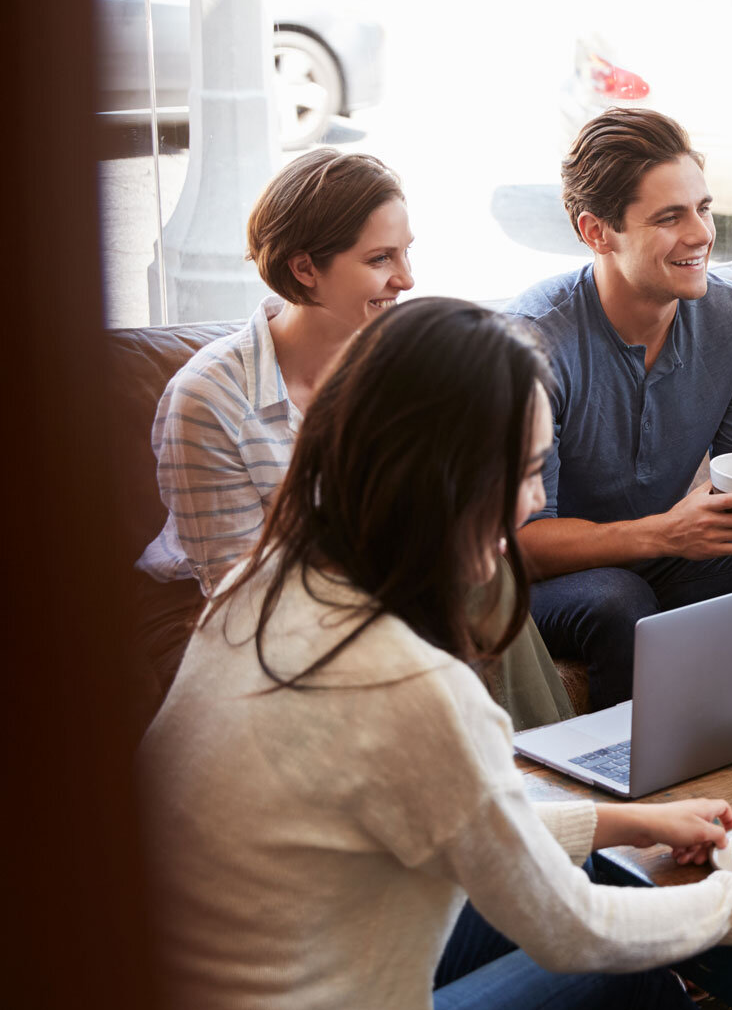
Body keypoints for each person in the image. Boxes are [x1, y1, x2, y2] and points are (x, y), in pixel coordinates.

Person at [139, 298, 732, 1010]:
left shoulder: (270, 580)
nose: (532, 502)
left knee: (593, 880)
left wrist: (626, 822)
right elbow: (571, 930)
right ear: (441, 478)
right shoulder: (404, 680)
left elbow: (464, 819)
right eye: (524, 472)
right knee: (608, 967)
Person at [136, 148, 573, 728]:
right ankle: (518, 769)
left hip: (364, 577)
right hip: (219, 611)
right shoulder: (210, 399)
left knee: (487, 576)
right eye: (380, 258)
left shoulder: (397, 364)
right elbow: (242, 594)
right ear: (305, 269)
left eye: (406, 251)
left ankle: (538, 761)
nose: (407, 278)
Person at [507, 108, 732, 711]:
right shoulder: (532, 343)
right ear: (597, 231)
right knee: (619, 602)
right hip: (548, 581)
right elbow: (520, 545)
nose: (701, 233)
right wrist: (664, 532)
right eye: (669, 217)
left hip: (659, 556)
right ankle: (629, 772)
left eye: (703, 208)